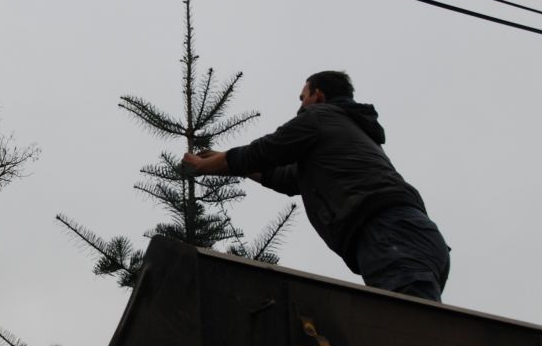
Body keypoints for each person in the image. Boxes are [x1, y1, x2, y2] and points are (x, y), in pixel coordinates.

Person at [182, 70, 449, 301]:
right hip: (409, 236)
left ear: (318, 95)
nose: (300, 106)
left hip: (388, 234)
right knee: (411, 329)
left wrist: (205, 166)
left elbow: (266, 150)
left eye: (303, 97)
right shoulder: (346, 132)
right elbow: (284, 178)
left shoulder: (319, 117)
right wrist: (224, 161)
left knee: (410, 329)